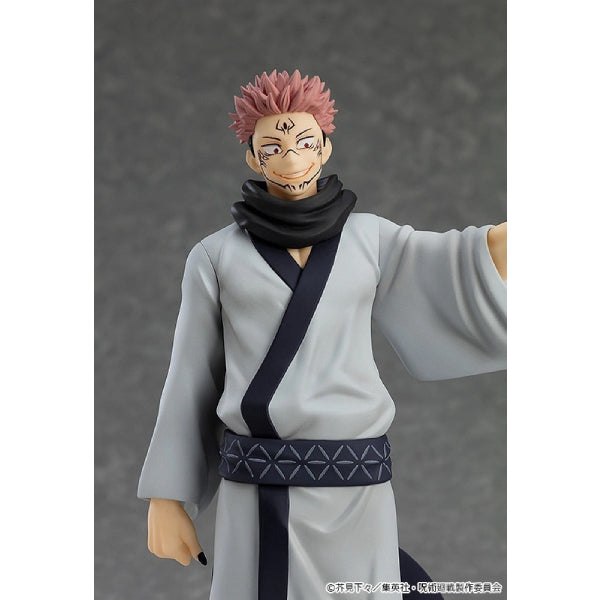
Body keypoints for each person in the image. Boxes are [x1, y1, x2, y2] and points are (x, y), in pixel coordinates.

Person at [137, 69, 507, 600]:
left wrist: (504, 242)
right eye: (273, 147)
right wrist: (168, 497)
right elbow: (191, 378)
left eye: (305, 142)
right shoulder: (215, 256)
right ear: (253, 157)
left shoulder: (370, 239)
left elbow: (452, 264)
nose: (291, 158)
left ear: (326, 147)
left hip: (354, 485)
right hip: (258, 487)